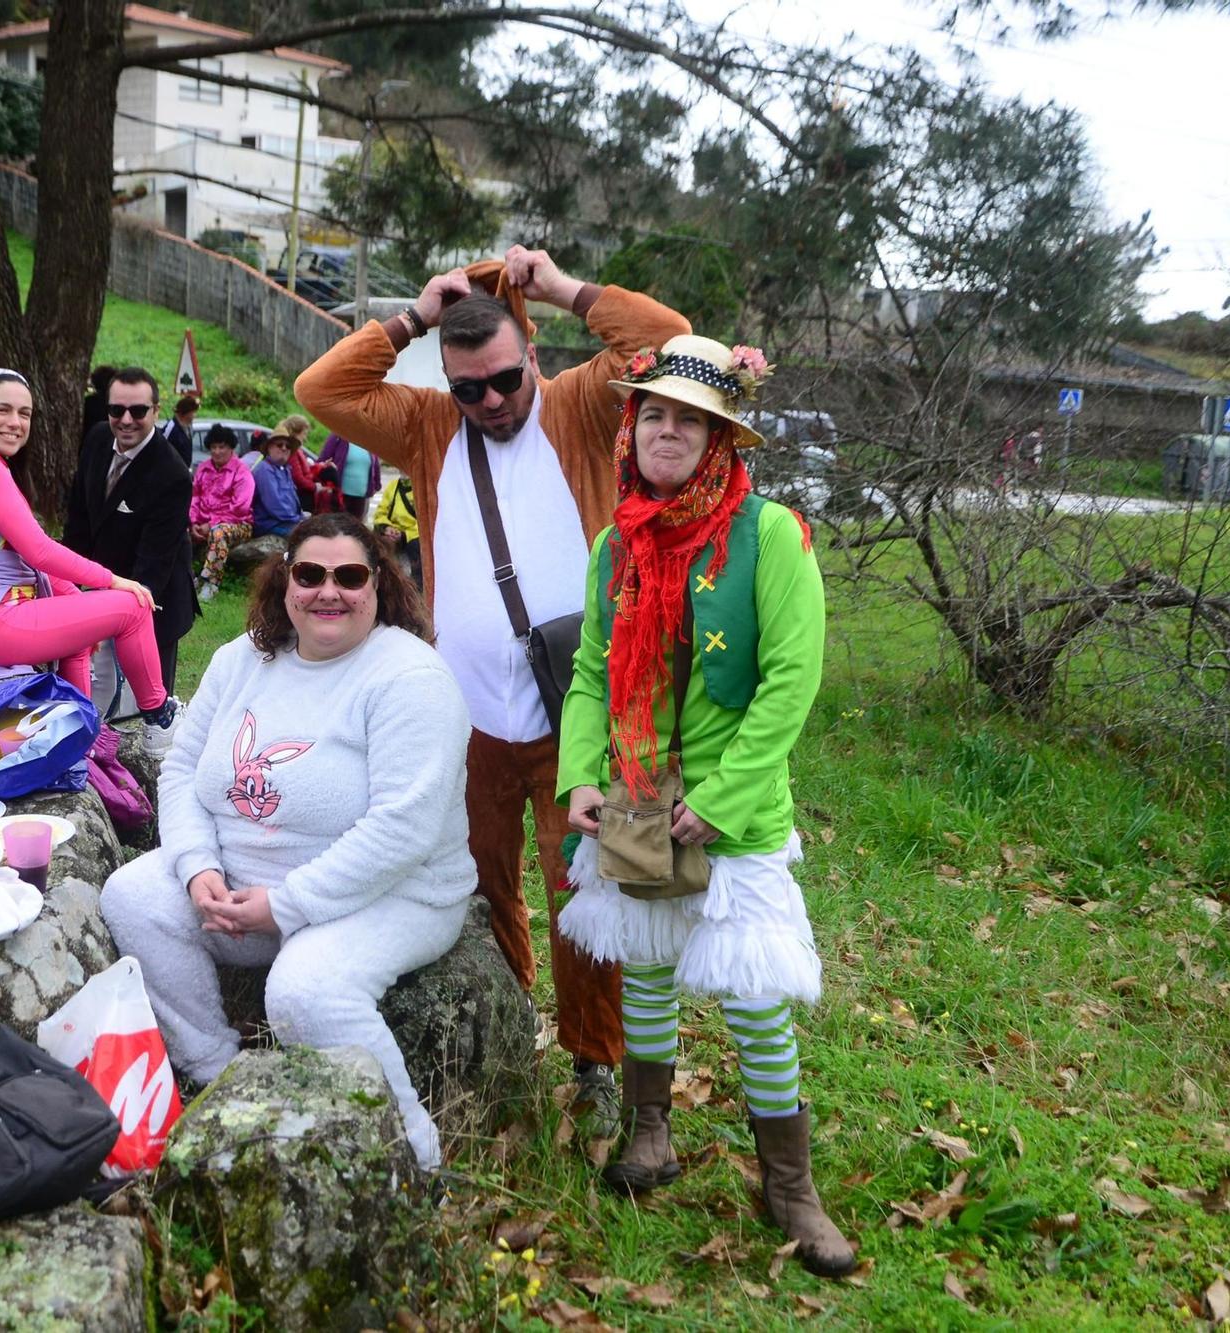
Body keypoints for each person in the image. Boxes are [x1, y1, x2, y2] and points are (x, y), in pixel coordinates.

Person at [295, 244, 690, 1135]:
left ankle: (604, 1066)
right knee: (481, 885)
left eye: (504, 381)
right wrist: (413, 316)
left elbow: (670, 339)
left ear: (533, 358)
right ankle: (509, 1029)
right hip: (464, 716)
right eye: (468, 387)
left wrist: (564, 289)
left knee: (598, 891)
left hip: (589, 707)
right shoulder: (433, 426)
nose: (490, 402)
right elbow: (320, 391)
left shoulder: (588, 404)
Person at [555, 334, 853, 1277]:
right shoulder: (617, 544)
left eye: (691, 417)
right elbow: (593, 670)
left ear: (723, 437)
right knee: (644, 968)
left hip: (737, 808)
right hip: (639, 790)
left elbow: (790, 680)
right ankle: (650, 1129)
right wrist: (581, 774)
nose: (669, 430)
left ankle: (789, 1183)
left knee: (755, 997)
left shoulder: (769, 535)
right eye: (655, 414)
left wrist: (722, 800)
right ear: (632, 427)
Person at [100, 513, 475, 1170]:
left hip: (392, 894)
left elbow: (403, 829)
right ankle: (220, 1077)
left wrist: (285, 904)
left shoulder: (410, 677)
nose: (329, 591)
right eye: (310, 574)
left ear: (379, 586)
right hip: (240, 885)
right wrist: (196, 868)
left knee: (304, 991)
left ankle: (415, 1154)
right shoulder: (242, 658)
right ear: (286, 580)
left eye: (350, 576)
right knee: (131, 894)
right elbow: (183, 770)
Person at [0, 368, 182, 755]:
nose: (15, 422)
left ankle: (81, 734)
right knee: (134, 605)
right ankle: (161, 718)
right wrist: (114, 581)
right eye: (3, 410)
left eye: (24, 414)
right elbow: (38, 551)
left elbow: (25, 556)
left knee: (77, 641)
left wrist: (76, 596)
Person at [63, 366, 197, 697]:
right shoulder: (96, 438)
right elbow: (79, 522)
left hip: (154, 600)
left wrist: (103, 617)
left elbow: (152, 565)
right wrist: (66, 589)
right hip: (100, 585)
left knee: (147, 703)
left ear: (156, 411)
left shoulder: (172, 475)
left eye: (138, 411)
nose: (126, 420)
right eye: (116, 409)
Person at [189, 424, 254, 602]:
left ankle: (210, 584)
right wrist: (194, 522)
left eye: (222, 447)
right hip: (202, 523)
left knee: (218, 532)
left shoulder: (242, 471)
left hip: (239, 524)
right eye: (213, 447)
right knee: (177, 530)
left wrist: (210, 523)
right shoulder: (203, 468)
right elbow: (195, 497)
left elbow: (240, 507)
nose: (217, 451)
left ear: (231, 448)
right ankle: (189, 578)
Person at [318, 432, 381, 519]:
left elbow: (375, 466)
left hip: (361, 497)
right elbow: (322, 461)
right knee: (337, 526)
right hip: (339, 496)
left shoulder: (369, 440)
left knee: (356, 528)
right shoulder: (338, 437)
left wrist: (377, 485)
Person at [370, 472, 420, 584]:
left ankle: (417, 587)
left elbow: (425, 522)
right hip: (391, 529)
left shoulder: (422, 488)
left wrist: (404, 535)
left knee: (416, 548)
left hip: (412, 533)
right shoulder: (393, 485)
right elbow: (380, 512)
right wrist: (386, 527)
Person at [251, 433, 303, 537]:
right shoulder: (264, 469)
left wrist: (301, 516)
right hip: (269, 525)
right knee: (307, 537)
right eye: (280, 445)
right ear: (270, 448)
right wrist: (297, 519)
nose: (284, 448)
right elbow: (275, 505)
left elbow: (293, 499)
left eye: (288, 446)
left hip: (285, 522)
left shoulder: (285, 469)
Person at [160, 394, 199, 465]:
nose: (195, 415)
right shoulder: (171, 427)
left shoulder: (189, 427)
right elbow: (161, 449)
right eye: (193, 412)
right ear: (186, 412)